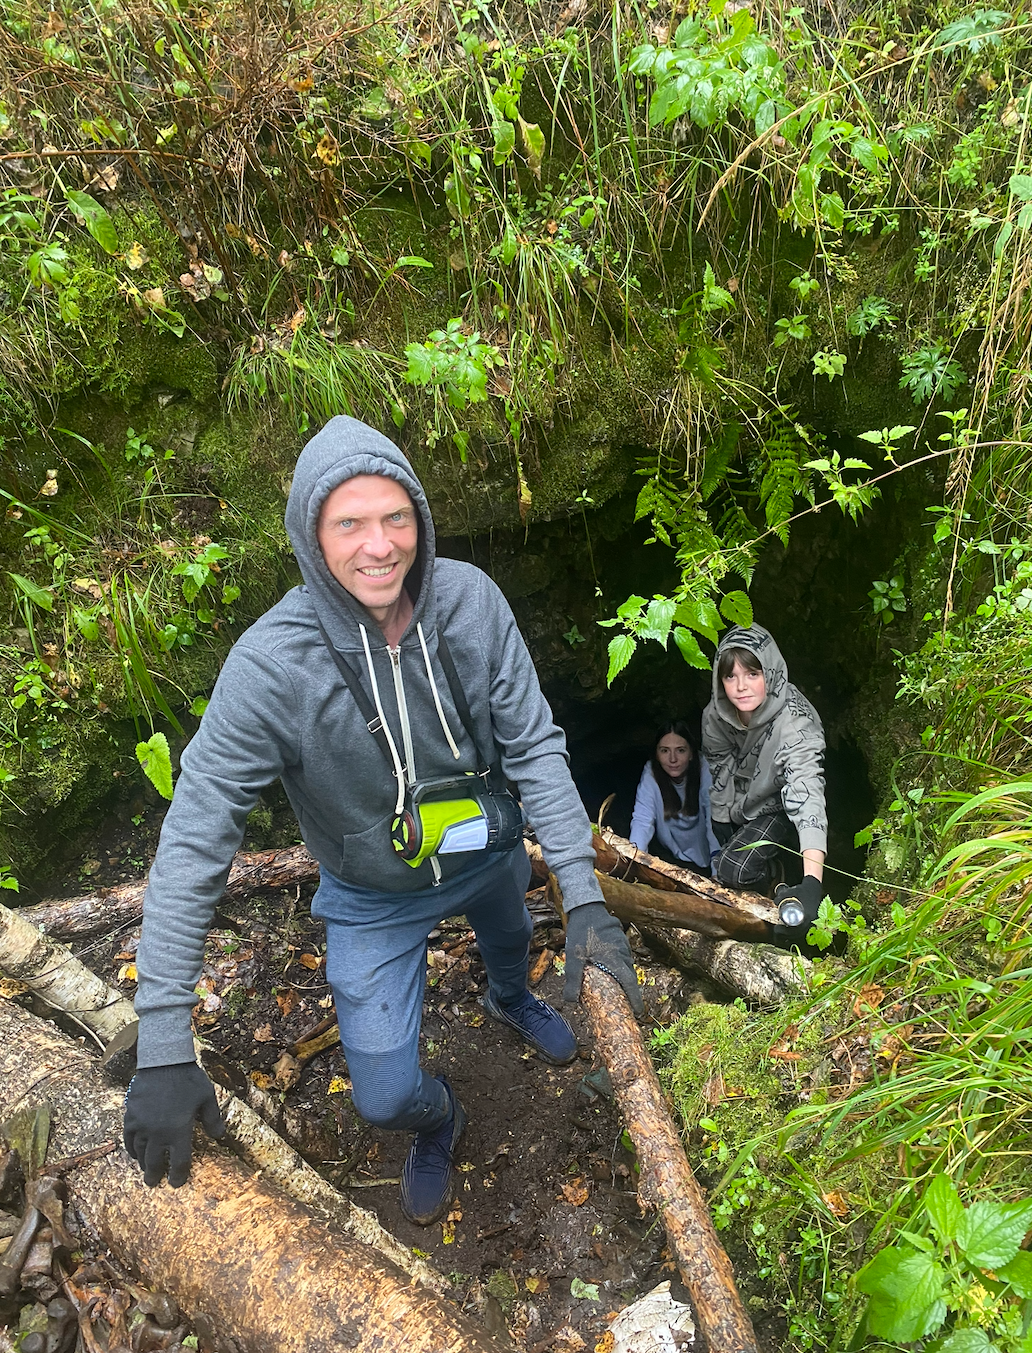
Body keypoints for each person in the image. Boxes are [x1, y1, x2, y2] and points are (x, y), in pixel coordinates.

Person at [123, 415, 643, 1226]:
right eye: (349, 523)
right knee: (383, 1094)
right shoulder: (271, 669)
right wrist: (161, 1045)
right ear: (310, 535)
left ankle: (509, 997)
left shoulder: (470, 603)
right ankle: (440, 1116)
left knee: (512, 942)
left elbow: (535, 745)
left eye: (396, 516)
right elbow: (195, 837)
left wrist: (583, 898)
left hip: (484, 847)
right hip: (371, 891)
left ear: (422, 519)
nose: (379, 545)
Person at [701, 623, 827, 947]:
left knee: (732, 870)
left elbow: (807, 792)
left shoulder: (796, 724)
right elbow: (720, 766)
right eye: (731, 676)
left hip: (780, 802)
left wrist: (812, 882)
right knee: (724, 867)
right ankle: (762, 899)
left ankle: (777, 879)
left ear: (769, 672)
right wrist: (720, 817)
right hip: (743, 804)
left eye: (752, 674)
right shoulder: (715, 715)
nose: (741, 687)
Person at [629, 721, 719, 873]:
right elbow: (642, 820)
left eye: (680, 750)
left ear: (691, 753)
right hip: (670, 856)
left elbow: (713, 818)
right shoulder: (652, 772)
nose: (672, 759)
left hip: (707, 855)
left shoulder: (705, 769)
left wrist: (718, 867)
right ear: (656, 754)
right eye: (664, 751)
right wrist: (633, 861)